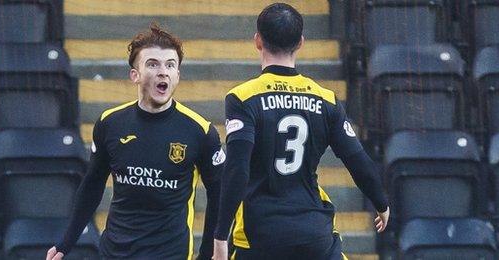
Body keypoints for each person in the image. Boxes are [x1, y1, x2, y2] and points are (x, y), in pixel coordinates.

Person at [212, 3, 390, 260]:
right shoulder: (326, 99)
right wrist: (381, 202)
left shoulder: (243, 97)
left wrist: (220, 236)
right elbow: (357, 159)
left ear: (258, 41)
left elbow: (237, 168)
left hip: (261, 232)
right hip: (313, 232)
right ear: (301, 42)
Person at [46, 24, 223, 260]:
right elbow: (92, 185)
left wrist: (208, 253)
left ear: (177, 75)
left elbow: (219, 193)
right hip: (115, 253)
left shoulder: (200, 131)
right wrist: (65, 244)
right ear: (135, 75)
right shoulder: (109, 123)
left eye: (170, 65)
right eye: (153, 64)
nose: (163, 72)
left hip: (170, 254)